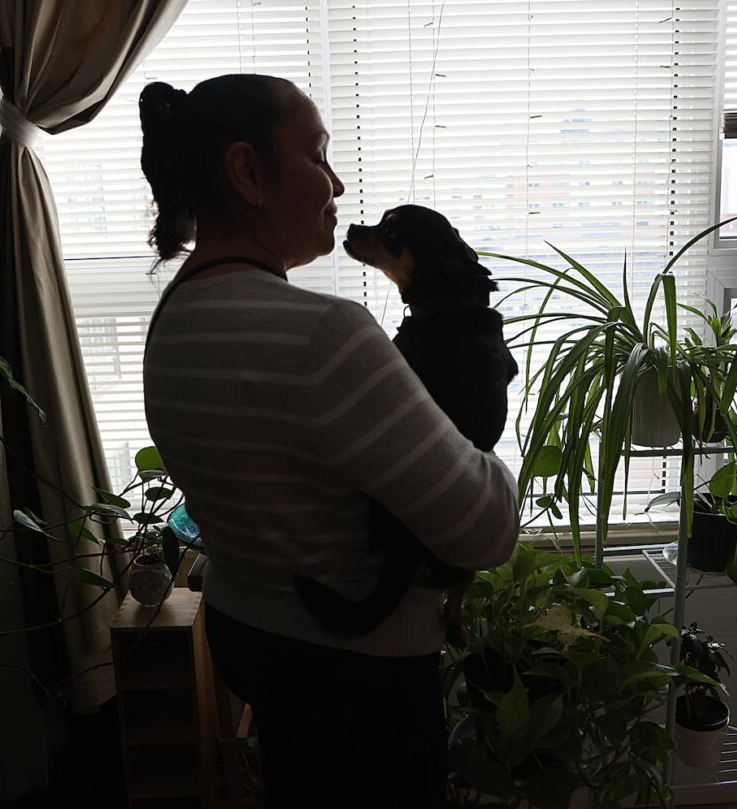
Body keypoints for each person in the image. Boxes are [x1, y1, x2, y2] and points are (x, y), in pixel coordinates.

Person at [138, 74, 519, 809]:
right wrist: (478, 431)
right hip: (361, 682)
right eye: (317, 155)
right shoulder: (327, 335)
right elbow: (488, 528)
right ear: (248, 172)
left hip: (255, 645)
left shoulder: (172, 322)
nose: (336, 182)